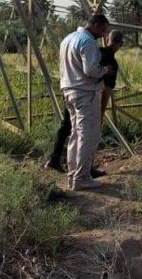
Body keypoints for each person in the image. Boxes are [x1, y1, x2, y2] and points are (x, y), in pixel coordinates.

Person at [44, 30, 124, 176]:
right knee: (88, 134)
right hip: (89, 96)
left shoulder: (95, 51)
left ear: (107, 39)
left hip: (72, 89)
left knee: (68, 127)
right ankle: (85, 170)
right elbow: (107, 90)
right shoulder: (111, 62)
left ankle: (56, 159)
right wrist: (101, 114)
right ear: (120, 44)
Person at [57, 14, 112, 191]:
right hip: (85, 92)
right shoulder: (88, 42)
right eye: (103, 30)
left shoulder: (68, 39)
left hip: (69, 90)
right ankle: (82, 178)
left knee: (76, 134)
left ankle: (73, 175)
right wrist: (106, 70)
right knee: (88, 135)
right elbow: (91, 71)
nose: (103, 35)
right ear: (95, 25)